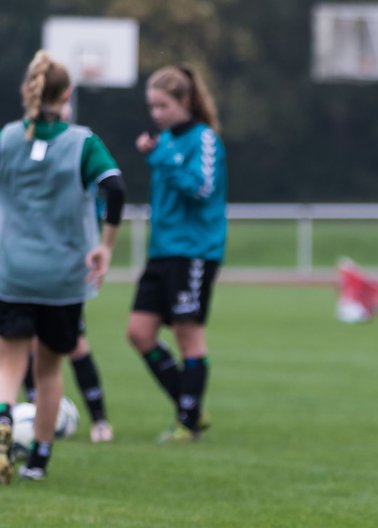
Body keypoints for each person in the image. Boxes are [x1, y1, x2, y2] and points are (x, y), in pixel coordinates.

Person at [0, 50, 125, 483]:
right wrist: (105, 246)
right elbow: (115, 187)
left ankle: (2, 423)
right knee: (49, 369)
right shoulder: (82, 142)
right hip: (62, 276)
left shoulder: (8, 138)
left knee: (8, 366)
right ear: (67, 94)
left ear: (26, 92)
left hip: (12, 270)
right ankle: (38, 460)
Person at [128, 65, 227, 443]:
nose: (156, 115)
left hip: (194, 251)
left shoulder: (203, 140)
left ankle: (187, 423)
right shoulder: (166, 142)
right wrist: (160, 154)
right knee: (138, 332)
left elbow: (201, 188)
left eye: (163, 106)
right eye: (152, 107)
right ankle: (191, 406)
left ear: (184, 101)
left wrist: (163, 159)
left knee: (189, 336)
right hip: (162, 251)